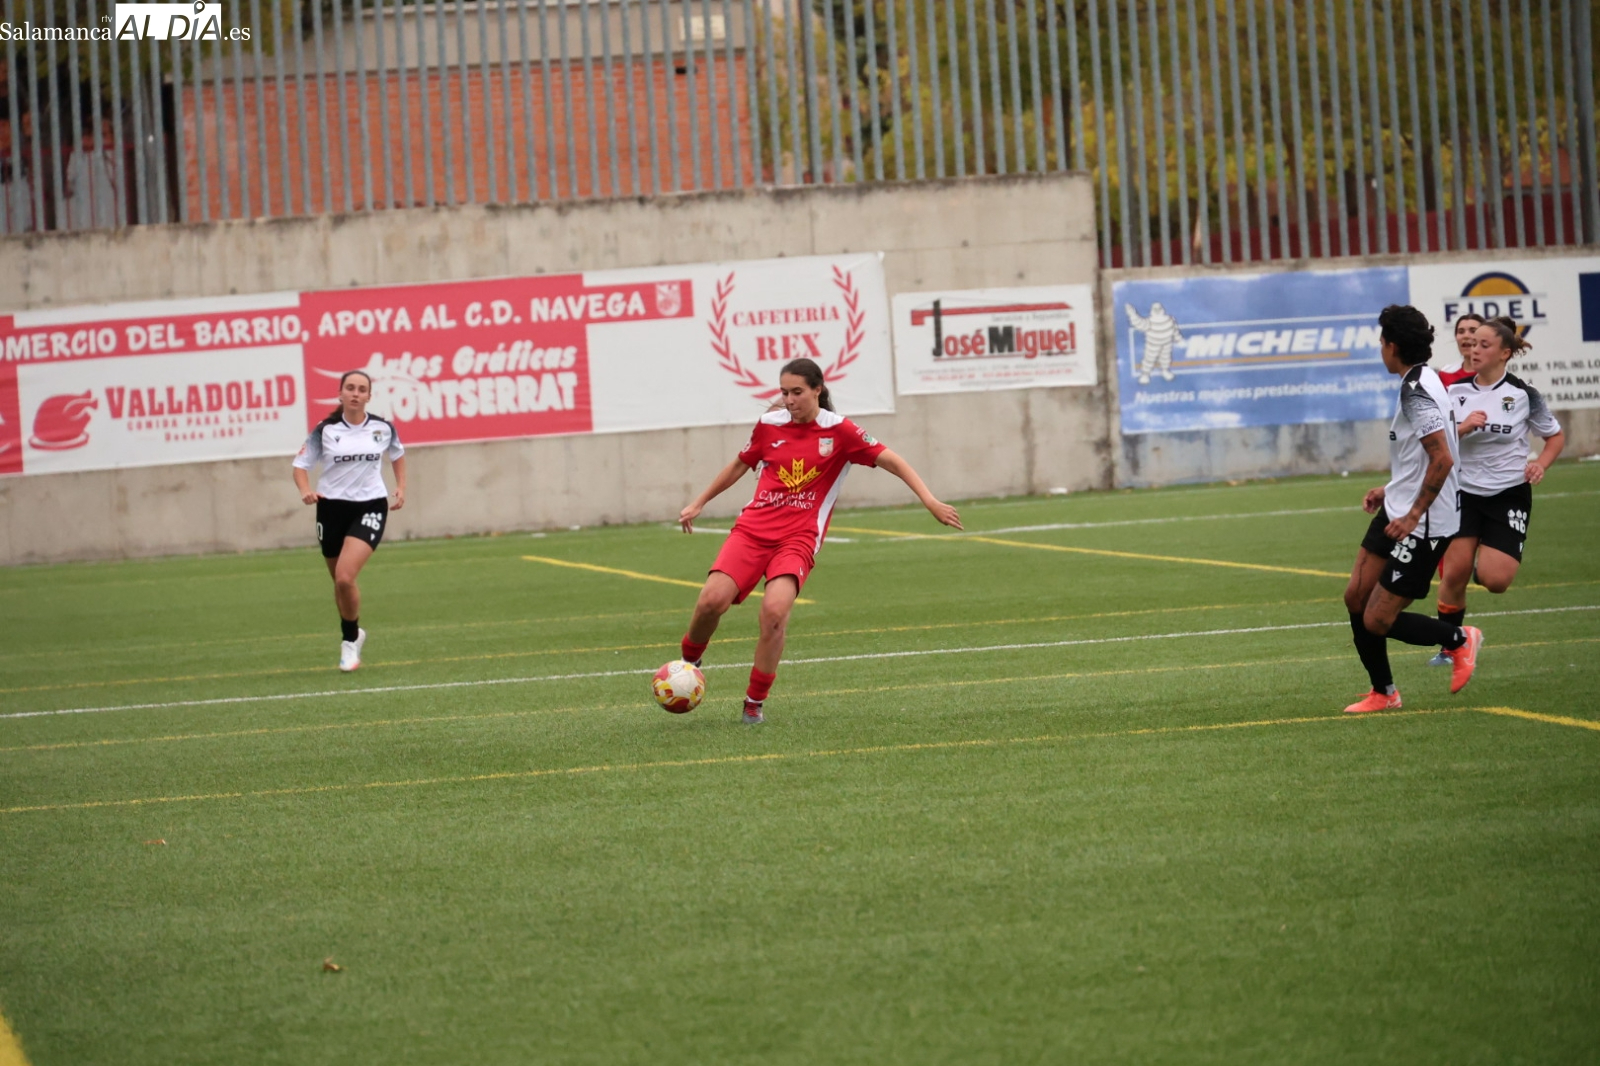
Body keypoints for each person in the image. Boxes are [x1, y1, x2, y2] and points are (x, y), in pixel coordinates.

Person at [676, 357, 962, 723]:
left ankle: (753, 704)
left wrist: (931, 501)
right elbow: (740, 463)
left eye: (797, 392)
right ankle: (688, 664)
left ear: (817, 390)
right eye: (784, 392)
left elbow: (893, 461)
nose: (790, 400)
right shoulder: (768, 425)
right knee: (711, 601)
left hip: (798, 538)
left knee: (775, 613)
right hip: (752, 531)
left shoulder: (841, 432)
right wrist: (699, 501)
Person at [1341, 305, 1482, 714]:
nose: (1380, 348)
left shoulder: (1418, 390)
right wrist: (1391, 490)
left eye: (1382, 341)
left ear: (1393, 346)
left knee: (1376, 619)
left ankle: (1458, 639)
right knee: (1355, 597)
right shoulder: (1423, 381)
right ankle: (1383, 693)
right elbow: (1425, 454)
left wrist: (1412, 514)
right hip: (1400, 508)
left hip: (1423, 523)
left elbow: (1442, 459)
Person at [1427, 316, 1564, 664]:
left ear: (1504, 353)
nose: (1474, 349)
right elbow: (1436, 441)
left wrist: (1540, 465)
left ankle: (1486, 556)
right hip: (1465, 493)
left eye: (1483, 344)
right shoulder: (1454, 393)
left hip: (1508, 495)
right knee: (1454, 573)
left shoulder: (1523, 394)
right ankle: (1451, 645)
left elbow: (1555, 436)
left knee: (1496, 580)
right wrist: (1462, 427)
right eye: (1471, 343)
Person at [291, 370, 407, 671]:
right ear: (340, 393)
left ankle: (349, 642)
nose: (355, 393)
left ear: (369, 396)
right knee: (340, 584)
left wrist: (400, 487)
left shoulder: (383, 428)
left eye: (362, 389)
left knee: (345, 576)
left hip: (369, 506)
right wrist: (305, 490)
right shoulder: (326, 429)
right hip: (331, 508)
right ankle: (355, 632)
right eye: (350, 388)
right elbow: (300, 466)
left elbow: (397, 454)